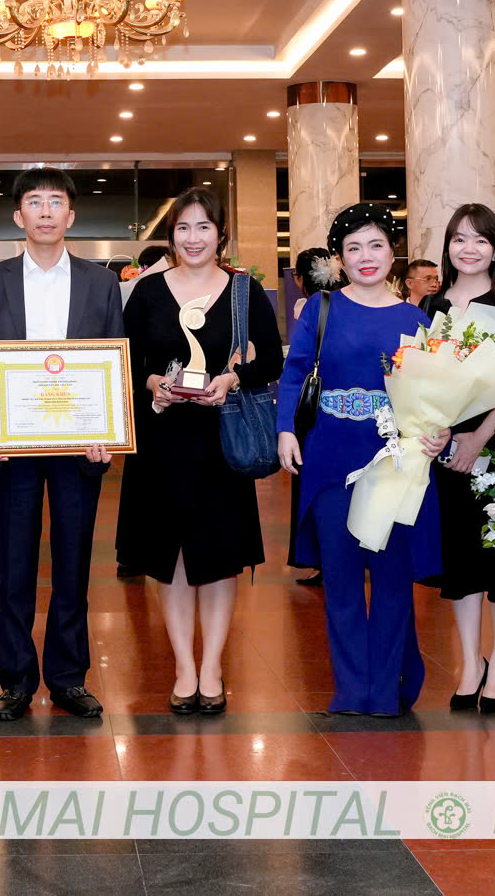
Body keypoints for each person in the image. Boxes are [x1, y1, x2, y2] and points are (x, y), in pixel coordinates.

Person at [0, 168, 125, 720]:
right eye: (35, 202)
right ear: (19, 216)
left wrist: (111, 429)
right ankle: (15, 680)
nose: (46, 211)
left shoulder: (101, 283)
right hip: (14, 445)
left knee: (74, 563)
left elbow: (115, 360)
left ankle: (67, 677)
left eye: (56, 202)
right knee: (13, 564)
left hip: (80, 445)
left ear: (71, 216)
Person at [121, 188, 283, 714]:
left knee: (218, 557)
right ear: (172, 236)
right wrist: (152, 383)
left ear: (221, 234)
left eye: (204, 227)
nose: (193, 238)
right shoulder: (147, 292)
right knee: (171, 559)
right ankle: (183, 667)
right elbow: (125, 361)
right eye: (183, 228)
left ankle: (211, 666)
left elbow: (272, 362)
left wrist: (233, 378)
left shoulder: (244, 291)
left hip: (222, 441)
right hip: (162, 441)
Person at [276, 203, 440, 716]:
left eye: (376, 245)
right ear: (339, 258)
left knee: (391, 581)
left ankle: (386, 690)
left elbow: (433, 395)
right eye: (353, 248)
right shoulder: (320, 308)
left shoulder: (416, 319)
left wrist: (439, 431)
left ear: (392, 253)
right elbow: (294, 372)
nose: (366, 256)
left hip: (394, 463)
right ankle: (351, 690)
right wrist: (285, 430)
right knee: (342, 582)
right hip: (330, 459)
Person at [417, 203, 495, 715]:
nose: (469, 249)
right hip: (445, 450)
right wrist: (436, 430)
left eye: (480, 239)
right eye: (459, 239)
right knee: (460, 561)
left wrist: (478, 439)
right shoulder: (431, 305)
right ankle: (470, 663)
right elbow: (416, 374)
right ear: (447, 247)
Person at [287, 246, 345, 584]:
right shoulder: (348, 304)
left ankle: (322, 558)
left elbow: (298, 364)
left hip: (316, 411)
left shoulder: (311, 305)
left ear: (299, 278)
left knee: (315, 487)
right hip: (348, 409)